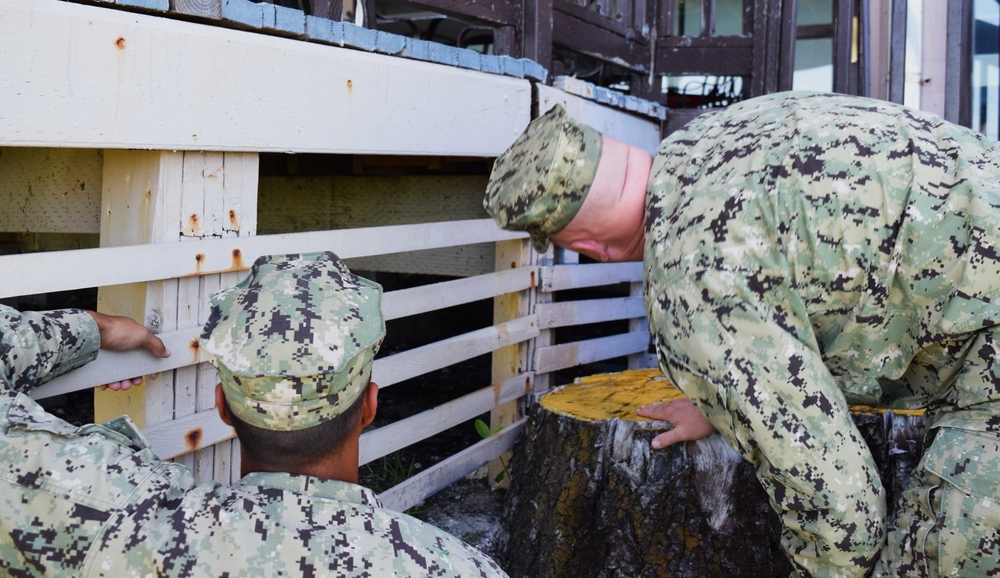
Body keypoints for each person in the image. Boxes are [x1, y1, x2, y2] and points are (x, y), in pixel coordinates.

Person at [483, 93, 1000, 577]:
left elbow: (841, 513)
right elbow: (830, 273)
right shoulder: (713, 136)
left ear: (591, 246)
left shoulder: (691, 283)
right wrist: (727, 396)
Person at [0, 251, 508, 577]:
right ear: (369, 405)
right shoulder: (449, 567)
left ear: (223, 407)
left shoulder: (110, 523)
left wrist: (92, 327)